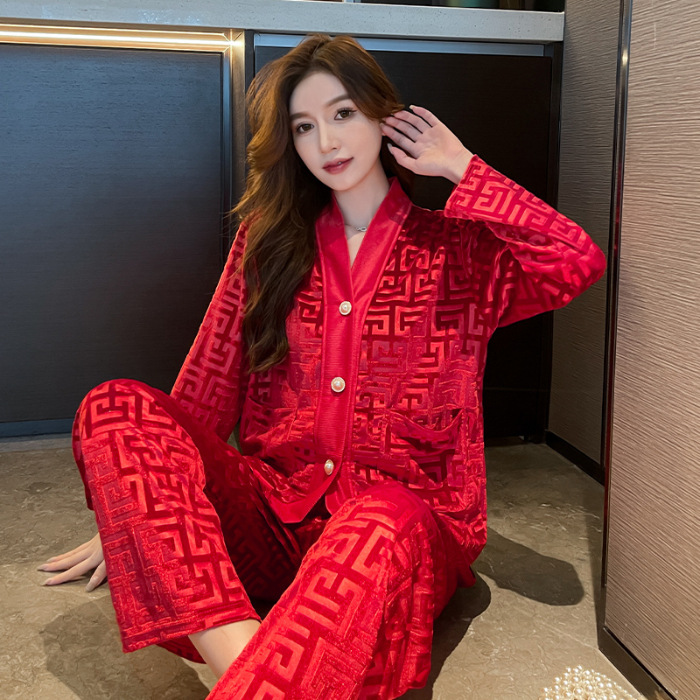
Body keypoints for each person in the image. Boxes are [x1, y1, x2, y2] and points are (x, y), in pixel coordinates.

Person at [39, 34, 606, 699]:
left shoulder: (459, 253)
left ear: (383, 116)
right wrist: (143, 512)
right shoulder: (268, 245)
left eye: (343, 114)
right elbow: (204, 391)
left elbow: (575, 261)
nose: (326, 142)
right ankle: (246, 668)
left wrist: (461, 166)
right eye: (303, 126)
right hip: (272, 520)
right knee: (115, 405)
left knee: (378, 518)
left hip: (397, 535)